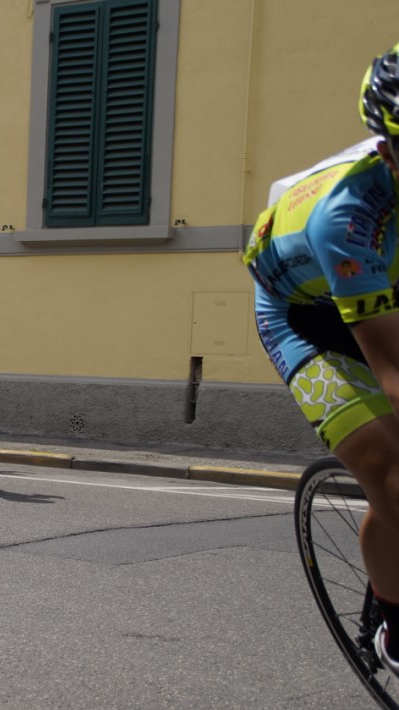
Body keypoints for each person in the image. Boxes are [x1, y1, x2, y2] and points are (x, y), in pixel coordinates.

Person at [243, 42, 399, 674]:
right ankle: (395, 622)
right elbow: (393, 375)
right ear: (388, 150)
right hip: (303, 314)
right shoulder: (349, 217)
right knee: (390, 469)